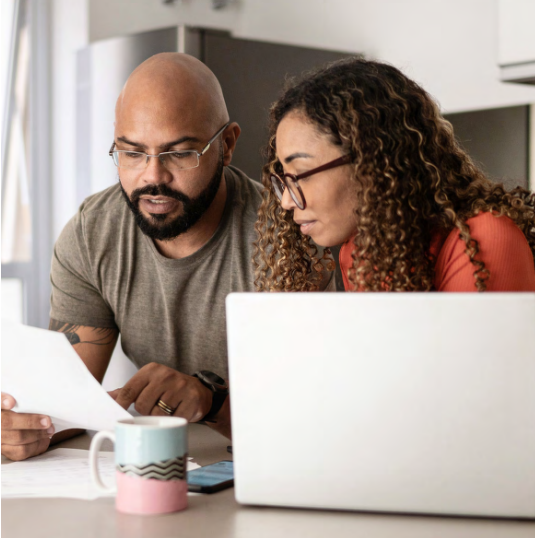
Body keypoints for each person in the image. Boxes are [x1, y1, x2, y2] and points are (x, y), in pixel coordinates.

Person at [2, 53, 333, 462]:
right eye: (132, 152)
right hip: (166, 467)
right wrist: (26, 428)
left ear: (226, 145)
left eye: (180, 153)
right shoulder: (93, 234)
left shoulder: (291, 238)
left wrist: (210, 401)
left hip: (272, 465)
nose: (152, 176)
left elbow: (315, 413)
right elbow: (68, 401)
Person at [253, 57, 535, 293]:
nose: (286, 201)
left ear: (370, 162)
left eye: (301, 173)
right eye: (283, 179)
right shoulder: (362, 250)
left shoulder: (484, 240)